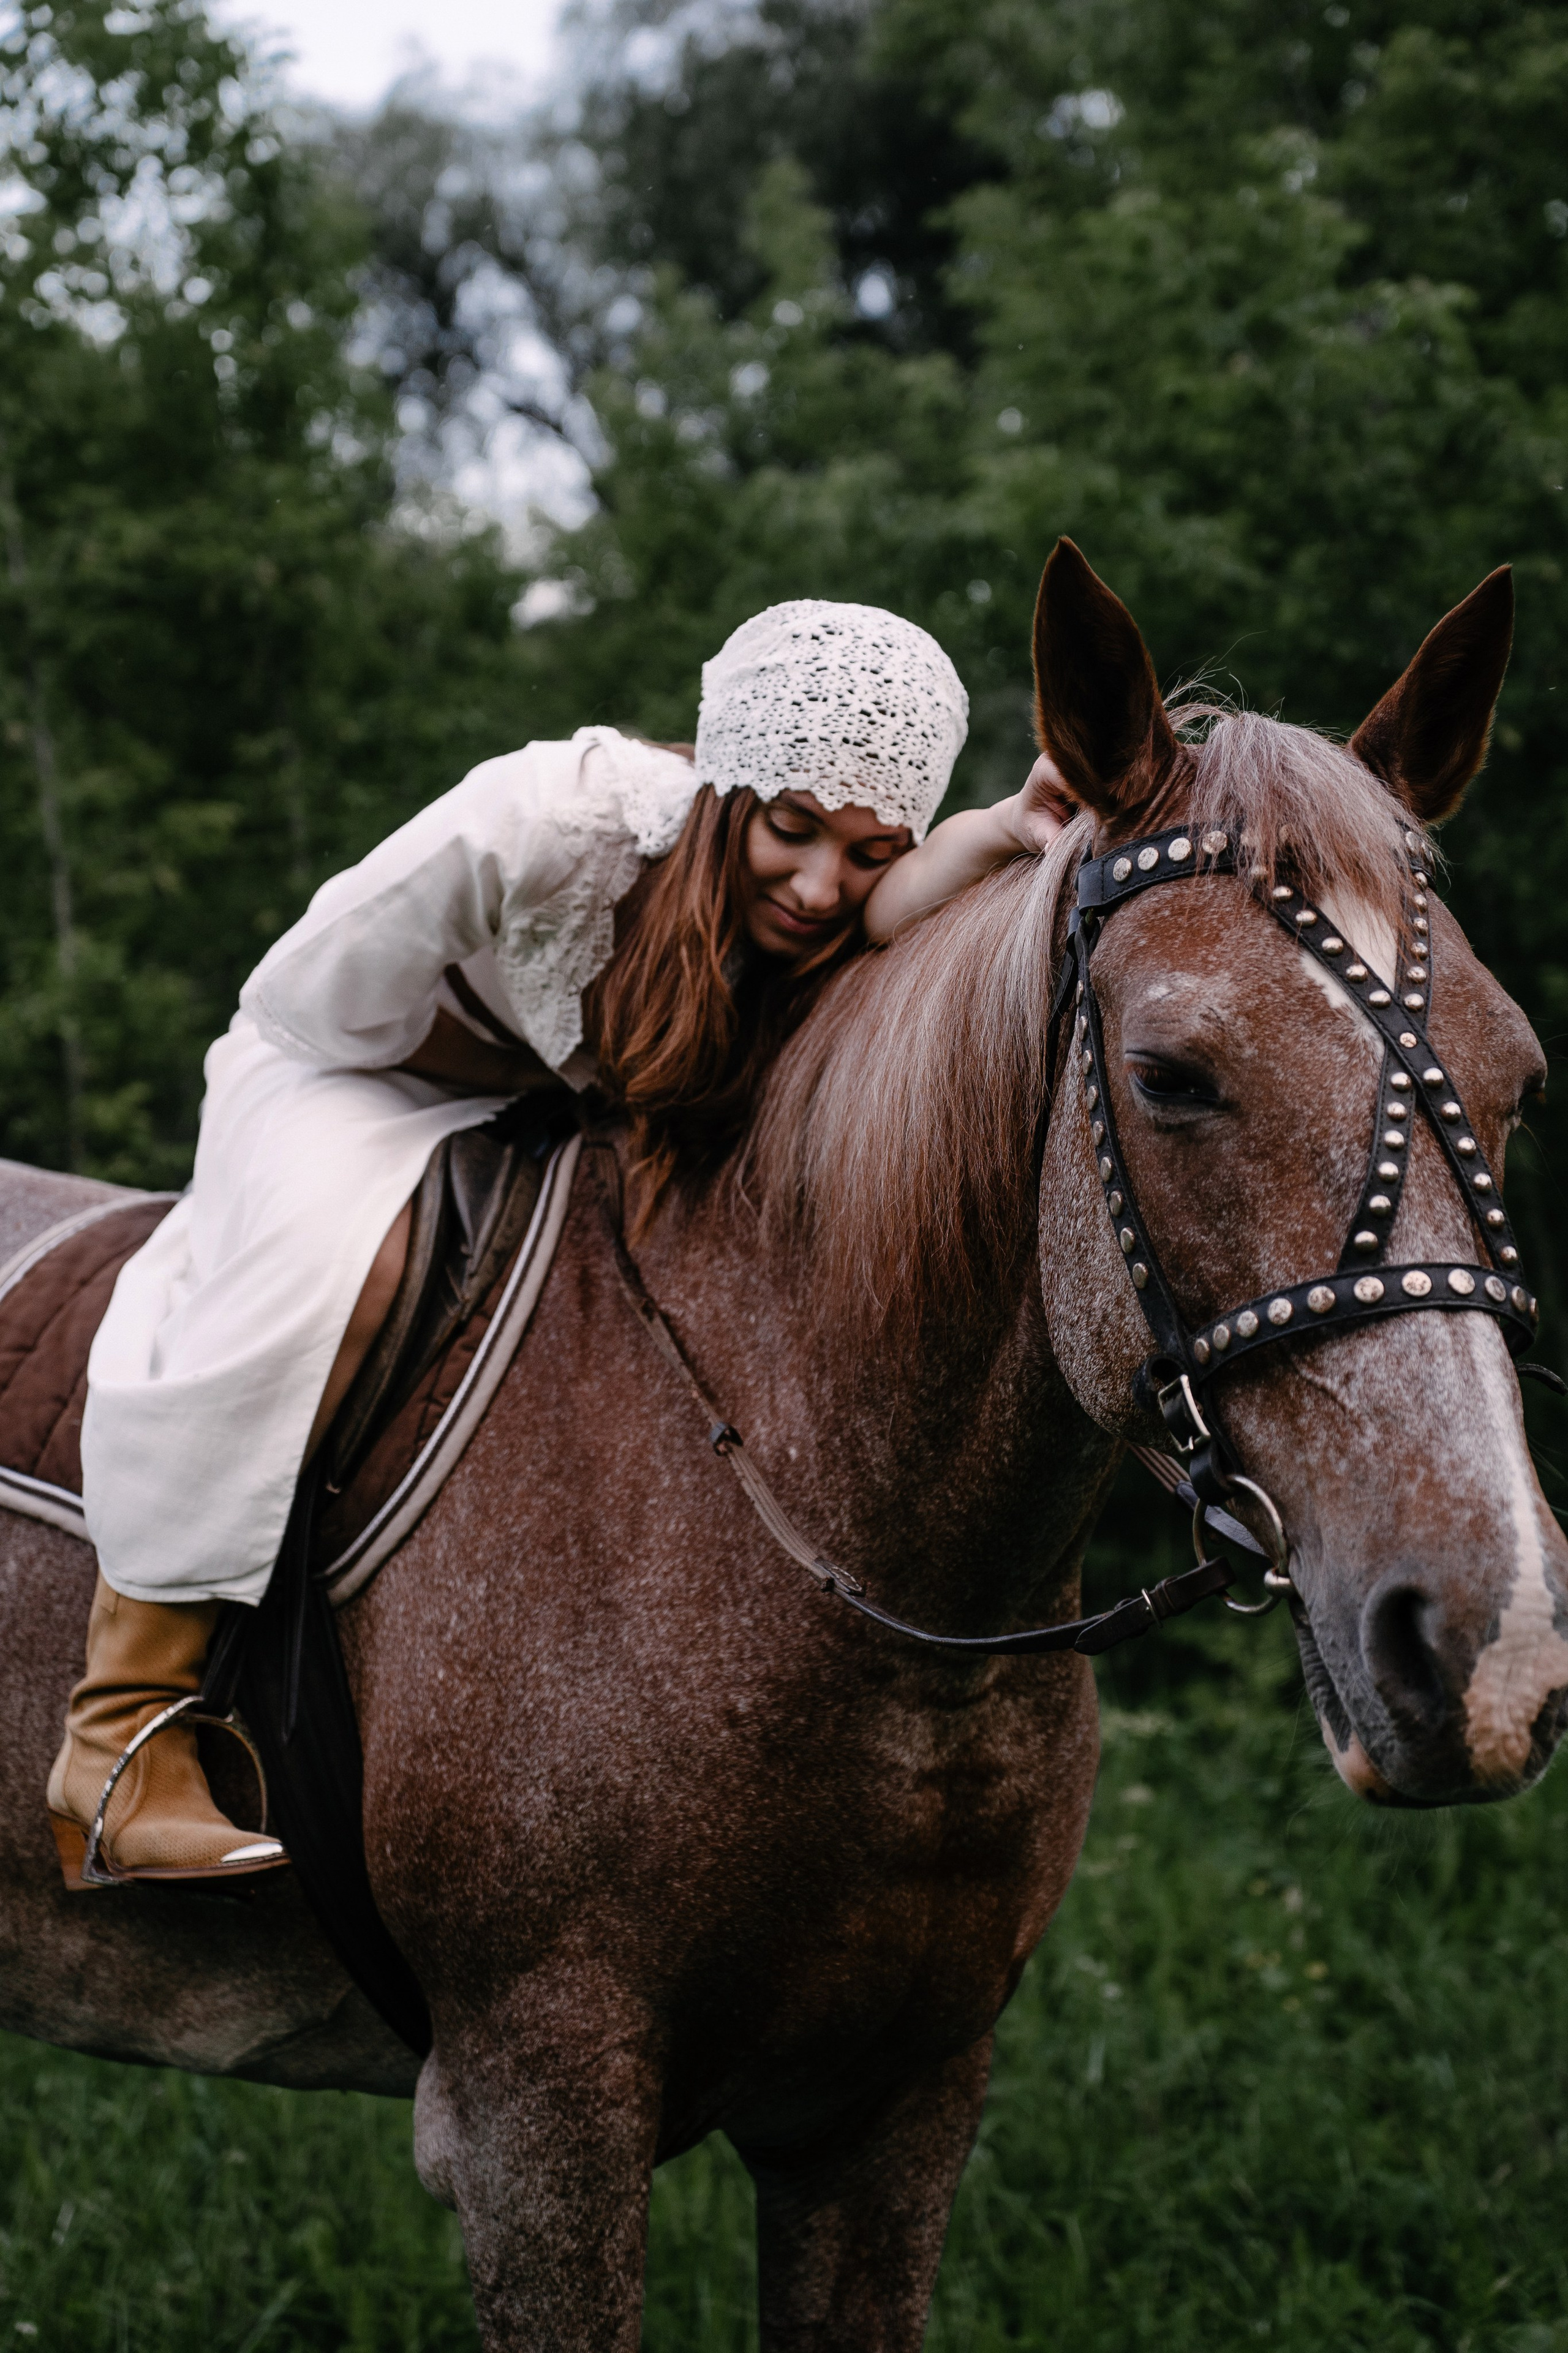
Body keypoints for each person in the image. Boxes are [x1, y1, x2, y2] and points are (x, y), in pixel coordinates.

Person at [50, 599, 1069, 1887]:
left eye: (867, 848)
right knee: (337, 1266)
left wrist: (1001, 830)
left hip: (525, 1110)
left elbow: (888, 911)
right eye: (790, 828)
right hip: (349, 1071)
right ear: (722, 794)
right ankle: (119, 1740)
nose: (818, 886)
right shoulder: (547, 820)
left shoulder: (827, 901)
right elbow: (312, 992)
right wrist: (461, 1105)